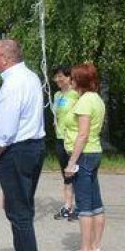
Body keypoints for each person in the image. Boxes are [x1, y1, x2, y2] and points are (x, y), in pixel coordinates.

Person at [0, 39, 45, 251]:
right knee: (22, 207)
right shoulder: (30, 77)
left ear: (6, 58)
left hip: (17, 150)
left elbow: (6, 129)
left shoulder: (13, 84)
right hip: (33, 147)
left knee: (18, 210)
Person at [61, 63, 107, 251]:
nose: (69, 80)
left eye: (72, 78)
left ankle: (85, 249)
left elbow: (83, 134)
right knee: (96, 202)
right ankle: (96, 246)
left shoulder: (84, 102)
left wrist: (72, 162)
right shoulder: (96, 99)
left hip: (84, 154)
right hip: (94, 151)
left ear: (77, 80)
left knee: (84, 204)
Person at [51, 66, 79, 220]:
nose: (58, 79)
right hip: (60, 138)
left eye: (61, 76)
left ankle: (81, 207)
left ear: (70, 77)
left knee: (76, 173)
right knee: (66, 174)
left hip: (73, 140)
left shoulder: (76, 94)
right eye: (56, 77)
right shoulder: (56, 95)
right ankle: (67, 206)